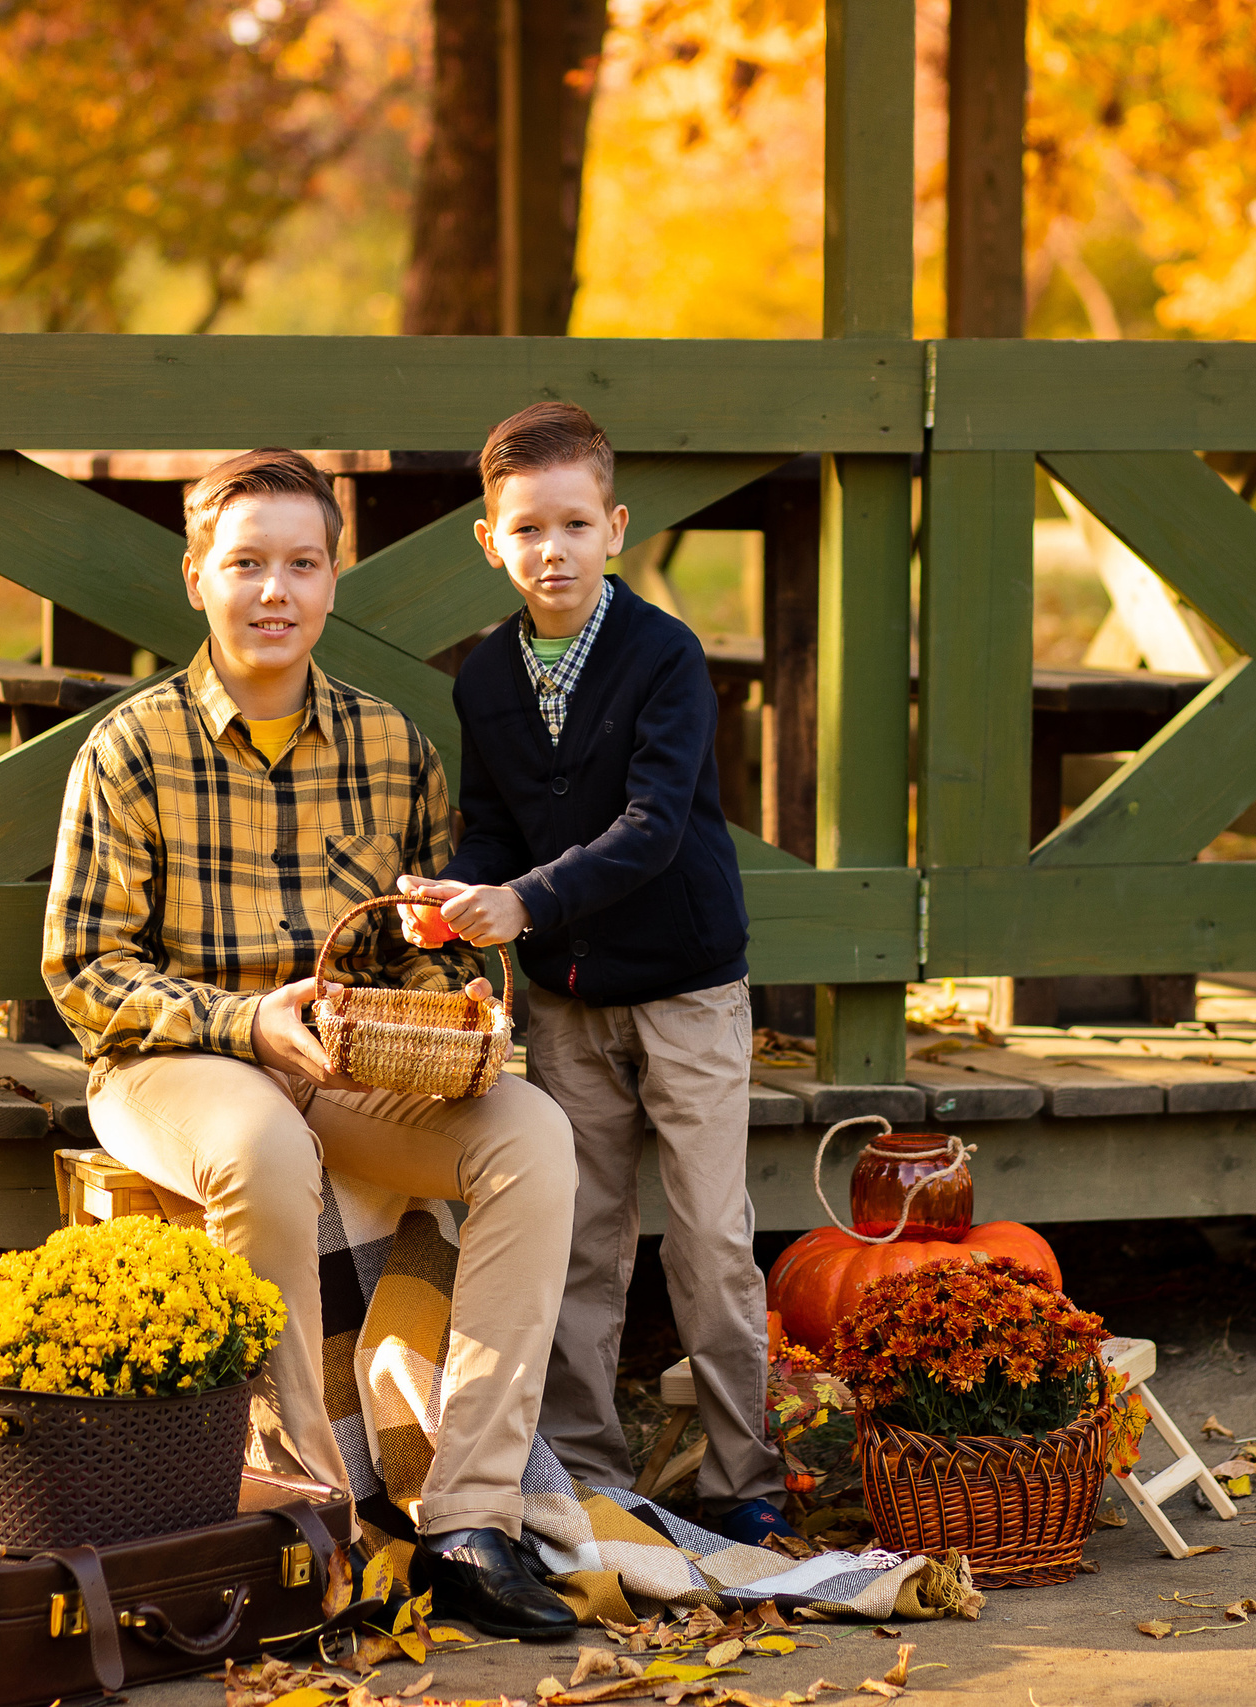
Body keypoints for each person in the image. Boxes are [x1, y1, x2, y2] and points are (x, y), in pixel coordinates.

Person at [43, 448, 581, 1640]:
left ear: (334, 581)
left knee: (532, 1139)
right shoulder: (130, 751)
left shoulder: (392, 747)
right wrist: (245, 1023)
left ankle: (471, 1518)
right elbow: (85, 973)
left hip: (347, 1060)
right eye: (245, 564)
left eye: (300, 563)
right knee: (262, 1148)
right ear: (197, 579)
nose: (273, 590)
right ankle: (310, 1521)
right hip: (173, 1063)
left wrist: (457, 1008)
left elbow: (417, 945)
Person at [400, 402, 793, 1545]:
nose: (553, 551)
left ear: (615, 529)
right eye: (527, 530)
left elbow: (653, 825)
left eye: (575, 524)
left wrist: (524, 900)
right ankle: (584, 1469)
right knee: (580, 1239)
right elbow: (494, 828)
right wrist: (457, 895)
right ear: (492, 543)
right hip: (569, 999)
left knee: (710, 1237)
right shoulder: (484, 678)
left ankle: (743, 1472)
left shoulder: (663, 656)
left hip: (686, 988)